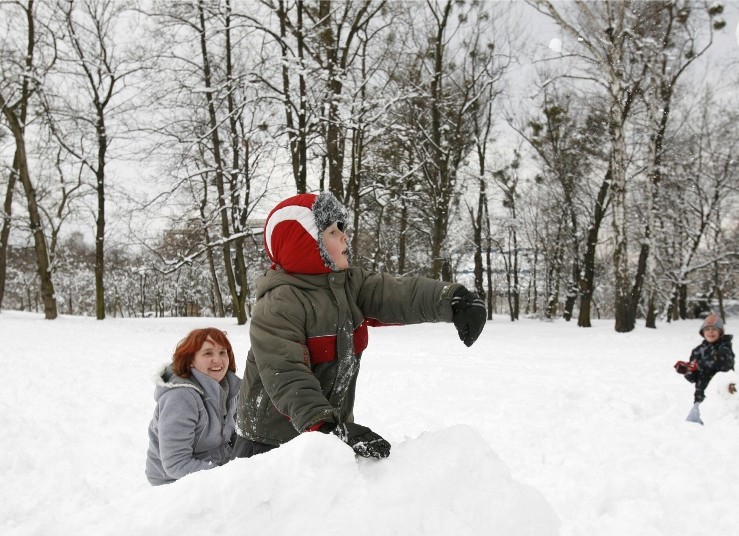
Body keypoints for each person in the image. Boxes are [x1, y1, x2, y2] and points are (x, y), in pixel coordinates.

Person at [233, 192, 486, 460]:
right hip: (269, 443)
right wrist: (327, 427)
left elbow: (396, 293)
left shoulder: (348, 284)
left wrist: (453, 300)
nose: (344, 236)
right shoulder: (279, 304)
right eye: (332, 231)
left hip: (328, 431)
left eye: (342, 228)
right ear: (303, 244)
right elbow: (285, 374)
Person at [146, 328, 242, 485]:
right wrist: (225, 477)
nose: (218, 360)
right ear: (190, 359)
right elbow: (176, 464)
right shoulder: (181, 397)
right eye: (208, 353)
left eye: (222, 352)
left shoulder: (228, 389)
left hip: (217, 471)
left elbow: (235, 437)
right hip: (176, 484)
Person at [674, 313, 736, 425]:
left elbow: (724, 364)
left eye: (714, 329)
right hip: (701, 398)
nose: (710, 332)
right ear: (702, 332)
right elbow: (693, 379)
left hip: (721, 400)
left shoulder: (725, 348)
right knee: (693, 429)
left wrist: (699, 365)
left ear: (720, 332)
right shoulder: (697, 351)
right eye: (707, 329)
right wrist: (687, 370)